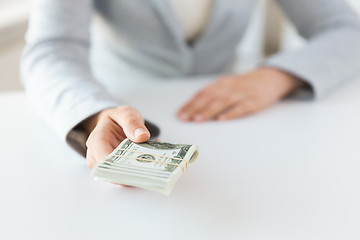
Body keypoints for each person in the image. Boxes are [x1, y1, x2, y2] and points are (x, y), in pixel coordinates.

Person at [21, 0, 360, 168]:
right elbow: (51, 49)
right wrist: (93, 114)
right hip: (118, 105)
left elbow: (348, 31)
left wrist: (279, 76)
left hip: (236, 124)